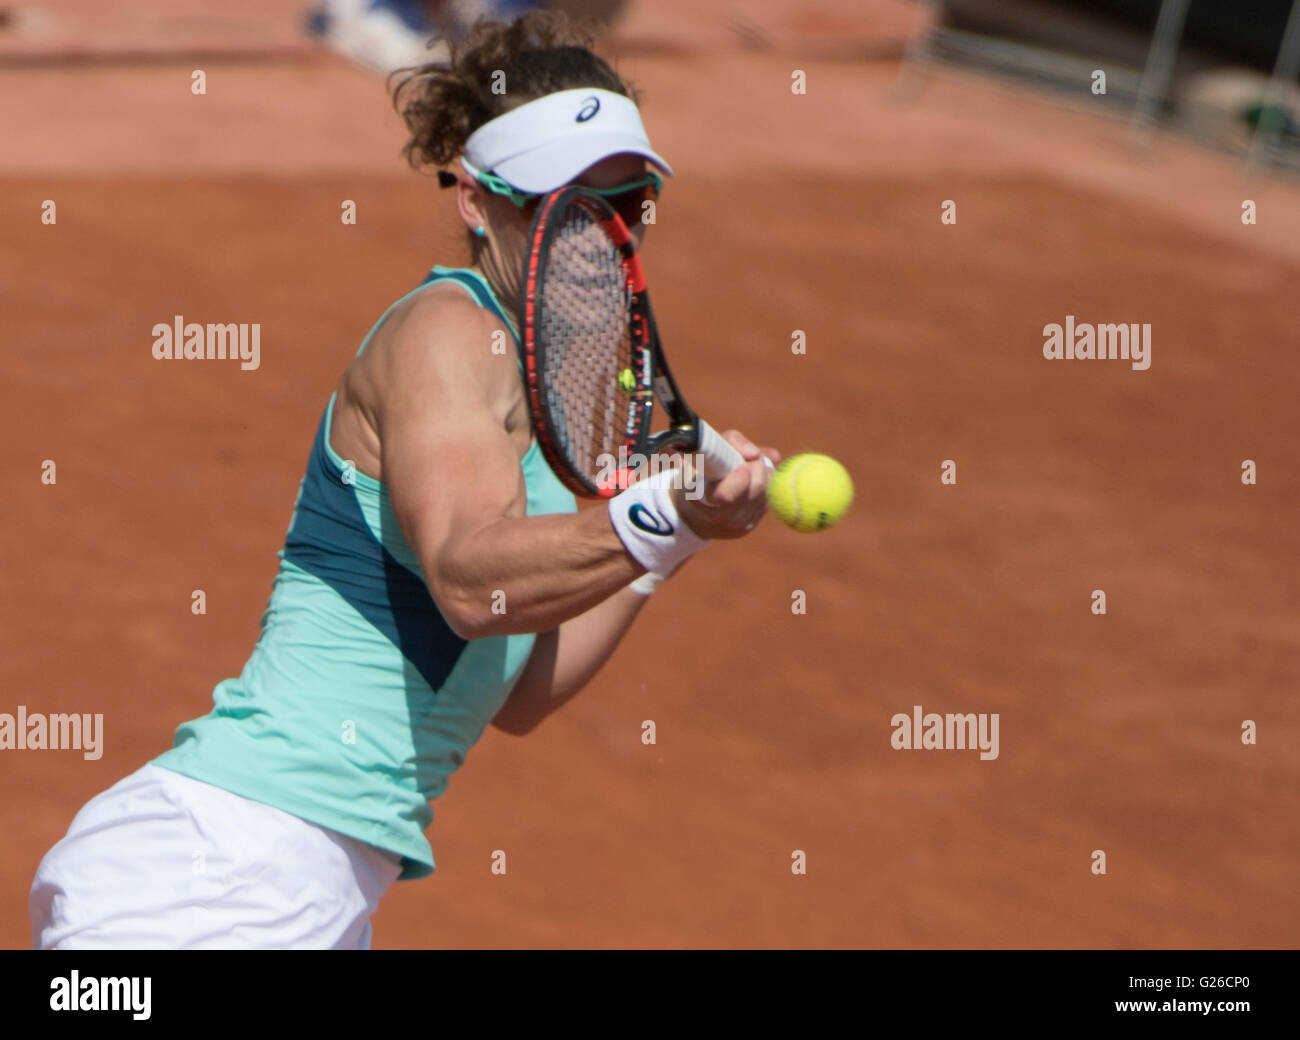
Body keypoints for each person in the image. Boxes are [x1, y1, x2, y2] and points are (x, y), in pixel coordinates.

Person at [29, 12, 776, 950]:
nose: (599, 235)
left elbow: (519, 688)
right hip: (221, 877)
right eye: (564, 204)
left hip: (303, 888)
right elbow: (471, 584)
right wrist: (657, 507)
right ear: (475, 198)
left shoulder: (534, 387)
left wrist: (674, 540)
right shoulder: (447, 335)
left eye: (625, 203)